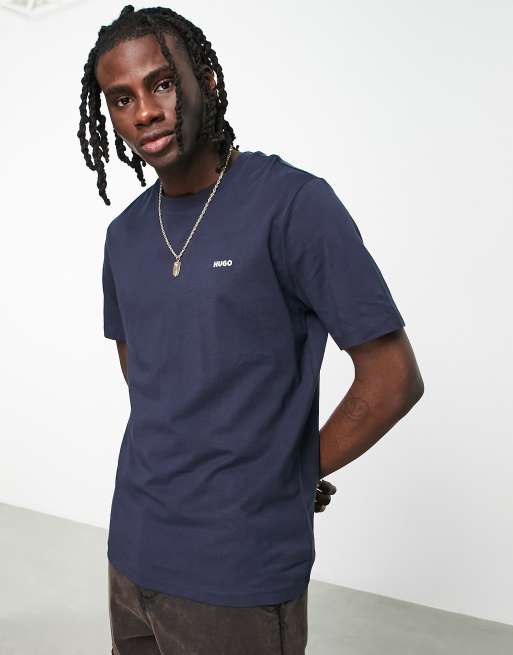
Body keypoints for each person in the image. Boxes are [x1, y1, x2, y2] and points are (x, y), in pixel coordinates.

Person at [78, 5, 424, 654]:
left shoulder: (293, 204)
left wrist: (290, 469)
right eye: (121, 99)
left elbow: (392, 379)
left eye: (161, 83)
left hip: (236, 572)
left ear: (206, 79)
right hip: (131, 554)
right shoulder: (123, 236)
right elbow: (146, 378)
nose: (144, 112)